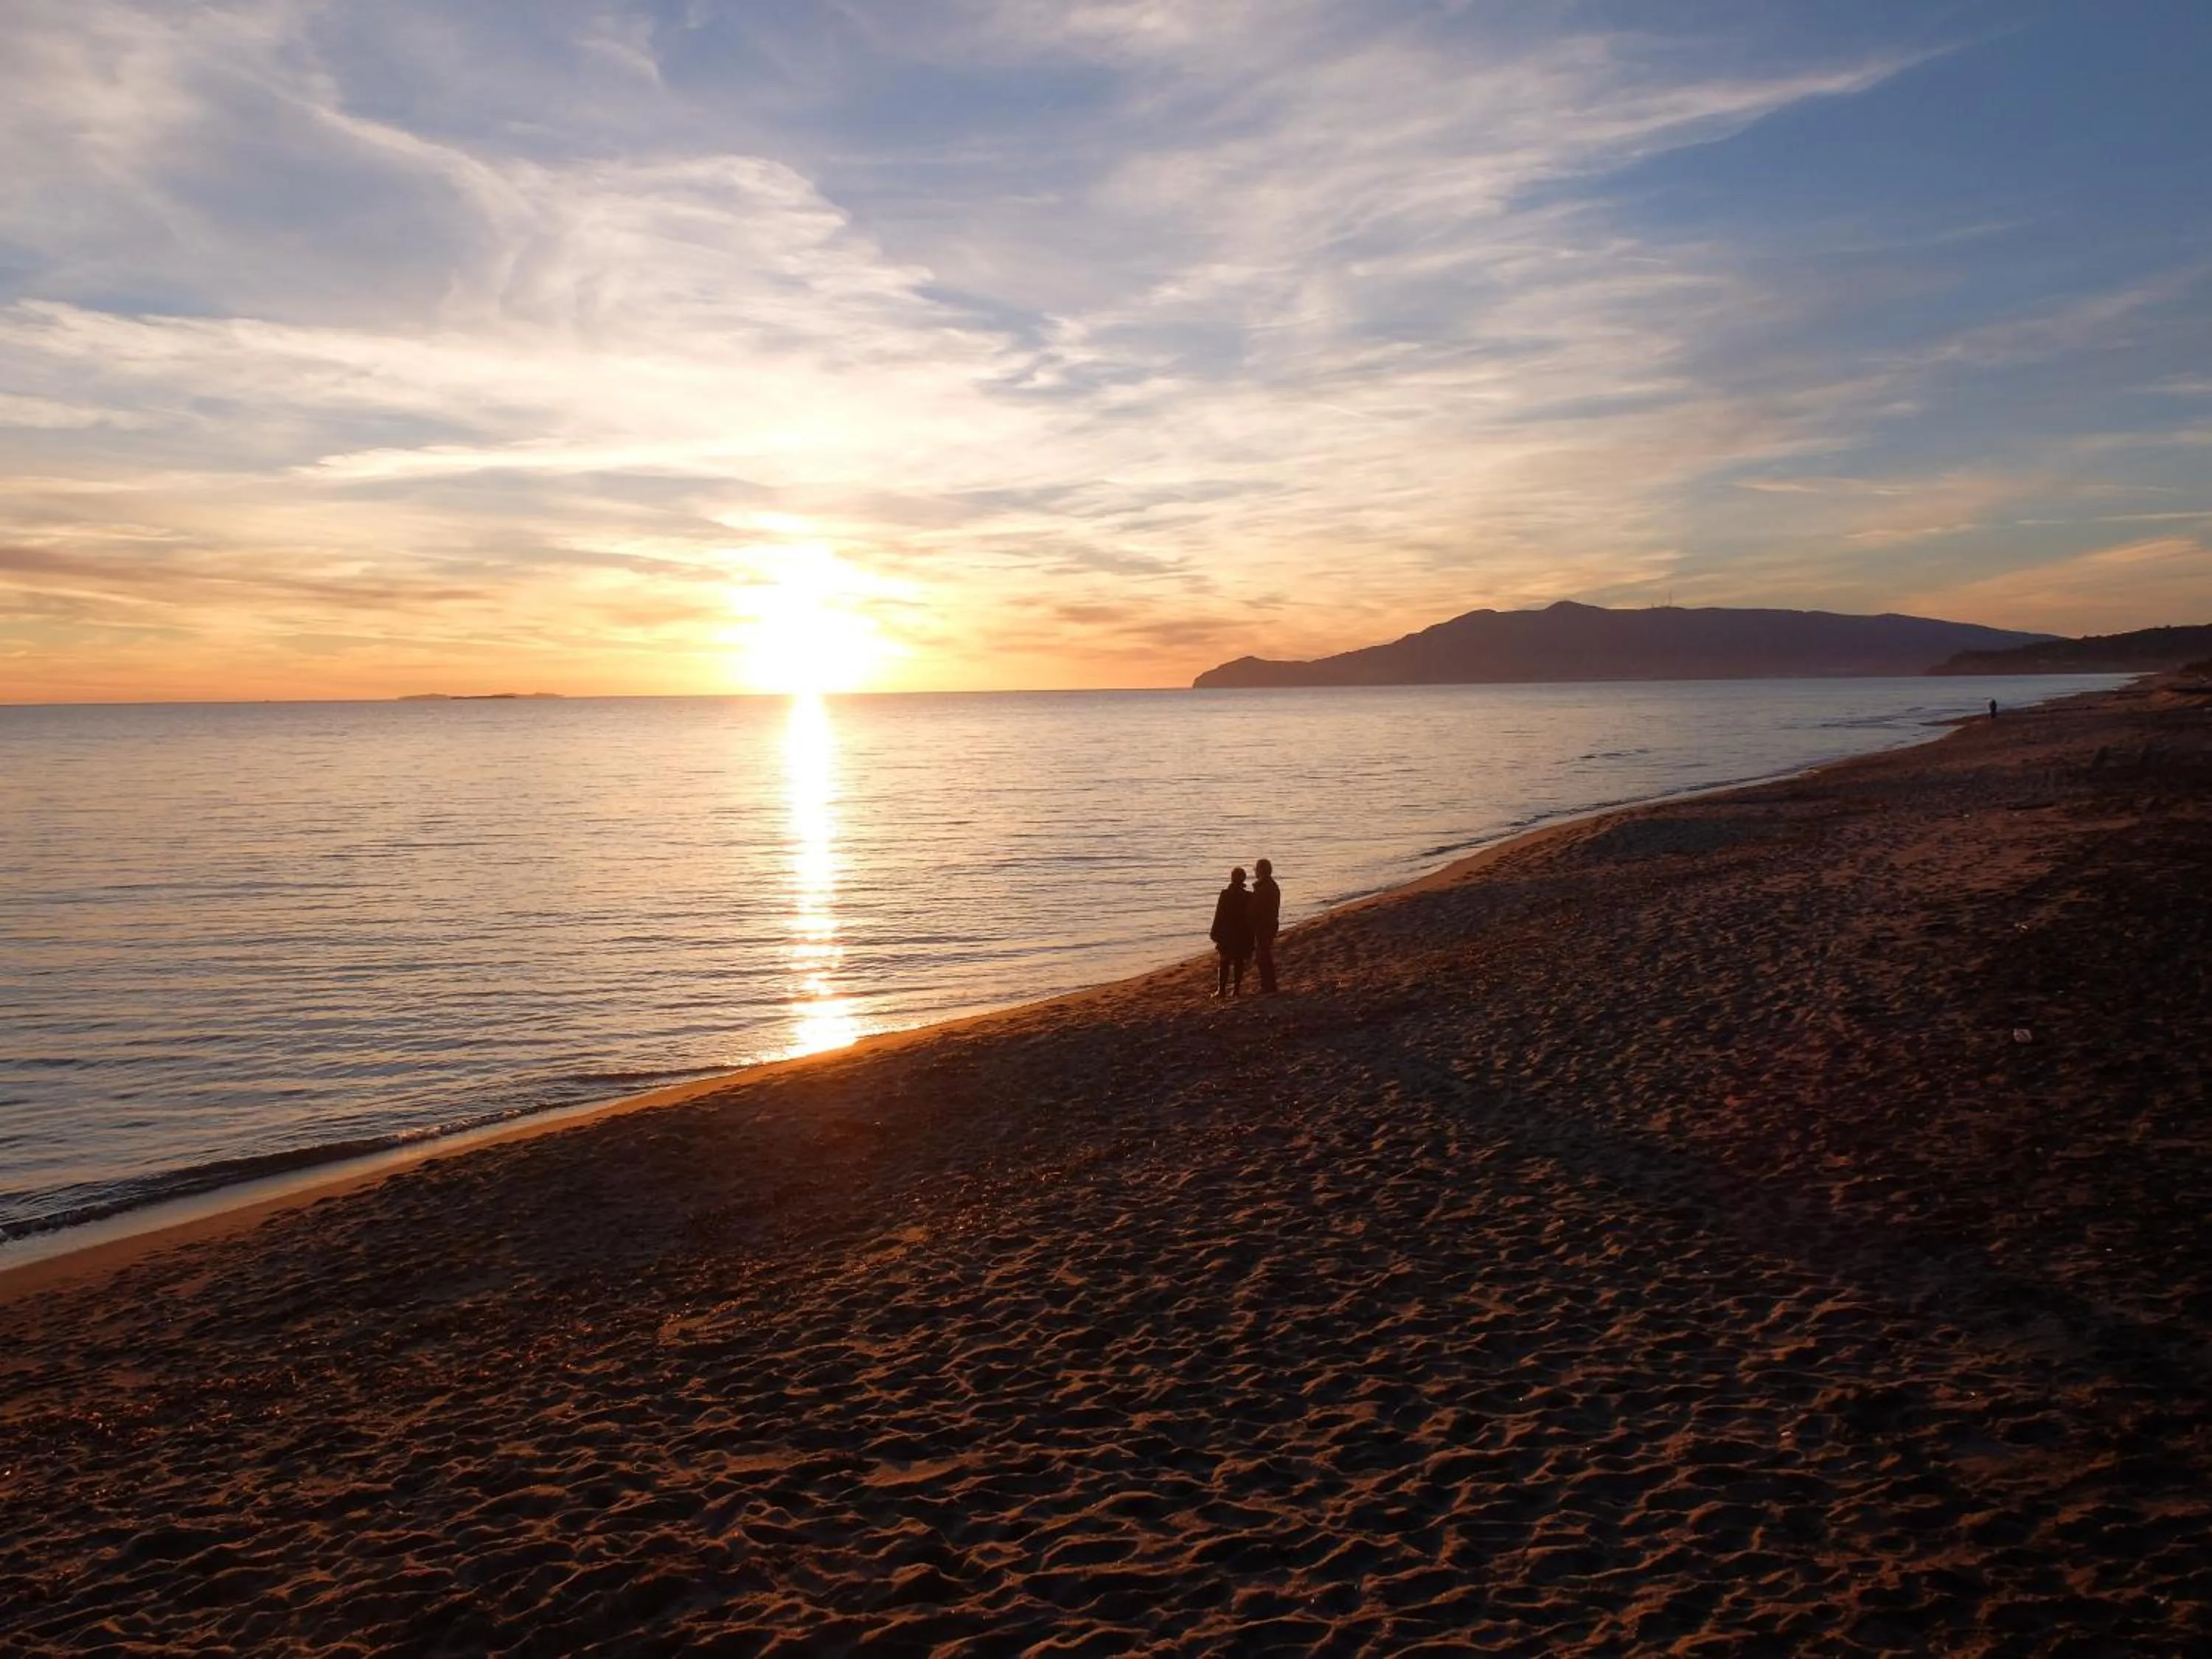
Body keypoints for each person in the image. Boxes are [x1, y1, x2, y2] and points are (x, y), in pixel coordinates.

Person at [1208, 866, 1253, 998]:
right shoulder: (1248, 896)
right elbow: (1250, 917)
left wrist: (1214, 933)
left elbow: (1219, 915)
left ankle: (1221, 990)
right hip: (1242, 933)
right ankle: (1236, 990)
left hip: (1227, 934)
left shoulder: (1225, 895)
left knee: (1224, 962)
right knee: (1239, 962)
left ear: (1232, 878)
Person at [1251, 858, 1281, 993]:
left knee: (1263, 955)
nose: (1255, 871)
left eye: (1257, 869)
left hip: (1265, 925)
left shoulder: (1266, 887)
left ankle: (1268, 985)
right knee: (1263, 955)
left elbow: (1258, 907)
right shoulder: (1269, 886)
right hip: (1268, 924)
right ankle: (1268, 984)